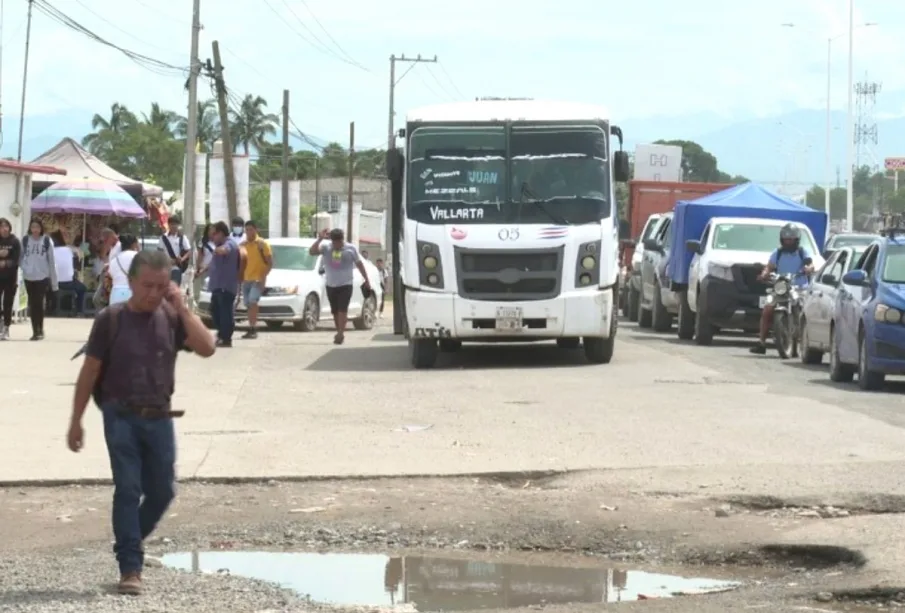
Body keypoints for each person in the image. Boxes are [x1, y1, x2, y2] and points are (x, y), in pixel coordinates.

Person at [66, 250, 216, 595]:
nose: (153, 293)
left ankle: (129, 538)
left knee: (163, 490)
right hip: (120, 416)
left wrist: (181, 307)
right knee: (129, 488)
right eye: (147, 285)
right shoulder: (111, 319)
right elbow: (89, 371)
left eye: (161, 286)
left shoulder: (171, 315)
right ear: (131, 282)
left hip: (160, 416)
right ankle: (130, 566)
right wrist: (76, 421)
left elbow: (208, 347)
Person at [749, 223, 814, 355]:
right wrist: (764, 274)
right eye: (786, 239)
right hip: (781, 288)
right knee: (767, 309)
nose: (788, 242)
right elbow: (769, 267)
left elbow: (810, 264)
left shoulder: (802, 252)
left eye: (791, 239)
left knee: (805, 312)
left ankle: (806, 343)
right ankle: (761, 343)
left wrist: (809, 269)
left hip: (799, 288)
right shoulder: (777, 253)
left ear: (796, 240)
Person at [309, 228, 371, 345]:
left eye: (339, 242)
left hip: (346, 284)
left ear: (342, 240)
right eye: (335, 243)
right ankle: (339, 330)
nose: (337, 245)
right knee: (335, 311)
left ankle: (341, 333)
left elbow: (359, 264)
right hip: (331, 285)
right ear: (332, 241)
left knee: (343, 309)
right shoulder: (327, 248)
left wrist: (366, 279)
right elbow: (312, 252)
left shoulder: (351, 249)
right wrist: (320, 239)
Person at [20, 218, 57, 341]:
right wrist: (25, 268)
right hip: (29, 276)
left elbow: (52, 261)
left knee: (39, 303)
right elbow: (20, 257)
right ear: (30, 228)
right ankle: (34, 330)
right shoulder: (25, 240)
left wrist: (54, 282)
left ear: (41, 228)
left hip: (42, 276)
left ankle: (40, 329)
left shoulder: (46, 241)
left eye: (37, 227)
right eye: (33, 227)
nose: (35, 230)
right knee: (32, 303)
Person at [207, 222, 240, 347]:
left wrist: (215, 249)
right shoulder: (220, 244)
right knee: (215, 311)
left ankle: (226, 338)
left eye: (214, 234)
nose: (212, 237)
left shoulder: (229, 243)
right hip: (218, 286)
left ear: (221, 233)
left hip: (225, 287)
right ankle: (221, 335)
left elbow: (225, 251)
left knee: (225, 313)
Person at [239, 220, 271, 339]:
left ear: (256, 230)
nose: (248, 232)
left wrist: (263, 277)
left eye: (251, 229)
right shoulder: (243, 245)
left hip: (257, 280)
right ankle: (251, 327)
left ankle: (253, 328)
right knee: (248, 304)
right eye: (246, 230)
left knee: (253, 302)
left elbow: (270, 263)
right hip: (246, 279)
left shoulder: (262, 244)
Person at [52, 231, 87, 316]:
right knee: (82, 288)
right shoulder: (68, 249)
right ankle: (79, 311)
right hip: (68, 282)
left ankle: (50, 308)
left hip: (53, 282)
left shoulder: (50, 251)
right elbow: (81, 254)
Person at [0, 218, 21, 340]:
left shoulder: (14, 241)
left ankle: (6, 327)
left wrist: (5, 263)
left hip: (10, 278)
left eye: (6, 226)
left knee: (7, 303)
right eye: (1, 226)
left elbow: (16, 260)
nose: (4, 229)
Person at [158, 216, 191, 287]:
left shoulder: (182, 237)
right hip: (165, 267)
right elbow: (159, 252)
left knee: (174, 288)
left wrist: (182, 259)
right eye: (172, 224)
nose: (174, 226)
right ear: (168, 225)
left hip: (177, 267)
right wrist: (167, 260)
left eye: (176, 224)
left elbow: (188, 251)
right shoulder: (163, 238)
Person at [109, 234, 140, 305]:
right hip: (133, 293)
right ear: (134, 244)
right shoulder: (138, 257)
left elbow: (111, 274)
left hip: (116, 293)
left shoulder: (114, 259)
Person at [194, 223, 214, 302]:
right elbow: (200, 255)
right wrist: (198, 268)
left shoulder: (218, 241)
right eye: (210, 230)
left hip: (215, 268)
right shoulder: (203, 241)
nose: (212, 232)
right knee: (205, 287)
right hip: (204, 268)